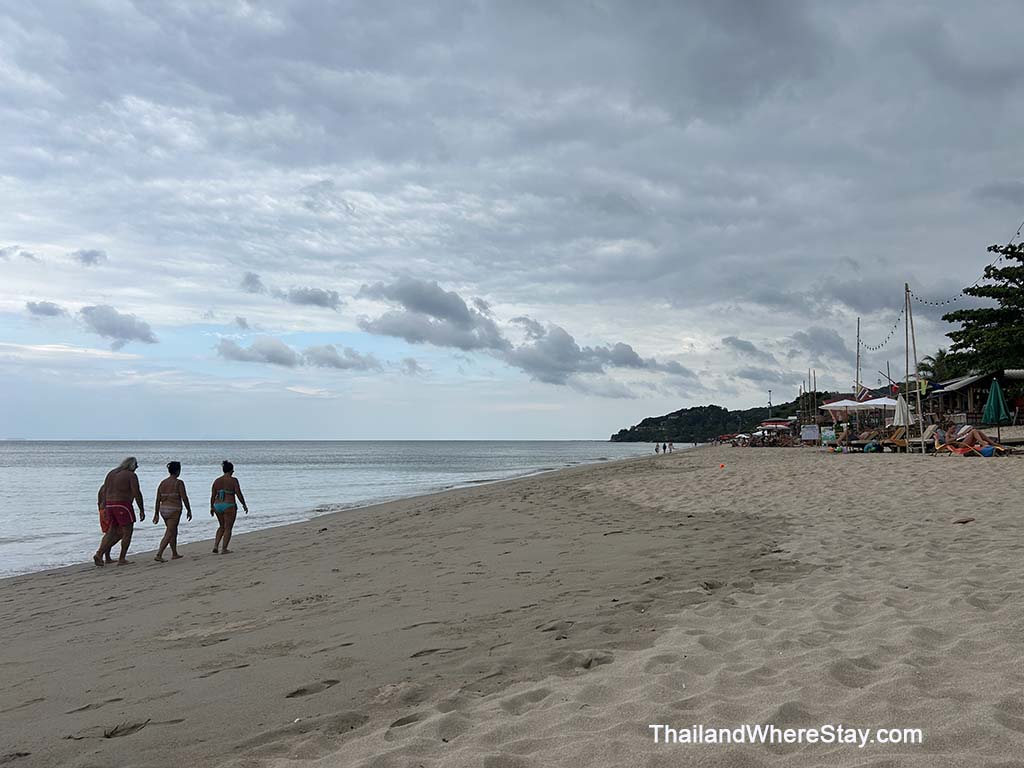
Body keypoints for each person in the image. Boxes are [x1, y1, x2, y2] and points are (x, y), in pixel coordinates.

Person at [94, 456, 144, 566]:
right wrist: (141, 509)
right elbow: (136, 492)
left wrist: (105, 507)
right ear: (131, 465)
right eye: (136, 465)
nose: (137, 467)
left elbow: (105, 490)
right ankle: (122, 558)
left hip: (109, 505)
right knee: (127, 532)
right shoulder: (131, 475)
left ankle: (99, 554)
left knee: (111, 531)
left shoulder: (111, 473)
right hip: (123, 505)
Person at [153, 461, 192, 562]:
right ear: (178, 471)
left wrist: (156, 513)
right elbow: (184, 497)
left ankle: (174, 553)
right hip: (174, 509)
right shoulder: (178, 483)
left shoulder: (163, 483)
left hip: (163, 509)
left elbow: (157, 499)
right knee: (170, 532)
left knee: (173, 531)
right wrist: (189, 510)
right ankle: (159, 553)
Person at [211, 461, 248, 554]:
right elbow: (238, 493)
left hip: (217, 505)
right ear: (231, 470)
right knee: (228, 528)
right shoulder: (233, 480)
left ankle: (216, 545)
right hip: (229, 505)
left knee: (221, 526)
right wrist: (244, 504)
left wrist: (211, 507)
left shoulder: (217, 481)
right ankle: (224, 549)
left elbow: (213, 495)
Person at [96, 485, 118, 564]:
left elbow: (98, 501)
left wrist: (101, 510)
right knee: (115, 533)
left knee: (109, 533)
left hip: (102, 510)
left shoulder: (103, 487)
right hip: (107, 510)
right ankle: (100, 553)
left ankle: (107, 557)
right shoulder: (110, 487)